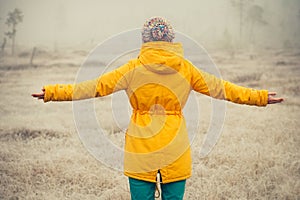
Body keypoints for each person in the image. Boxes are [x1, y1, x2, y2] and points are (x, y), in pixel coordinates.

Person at [32, 16, 284, 200]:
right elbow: (225, 89)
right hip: (176, 148)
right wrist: (259, 96)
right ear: (171, 40)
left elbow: (92, 87)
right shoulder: (186, 69)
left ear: (145, 40)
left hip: (140, 150)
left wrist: (52, 93)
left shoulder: (132, 68)